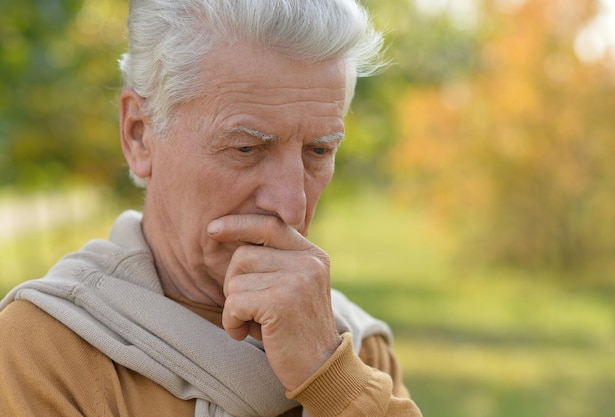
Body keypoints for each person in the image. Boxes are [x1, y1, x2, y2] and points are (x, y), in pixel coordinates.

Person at [0, 1, 422, 416]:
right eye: (245, 148)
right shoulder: (42, 354)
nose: (291, 206)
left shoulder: (351, 344)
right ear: (139, 135)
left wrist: (332, 379)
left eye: (319, 149)